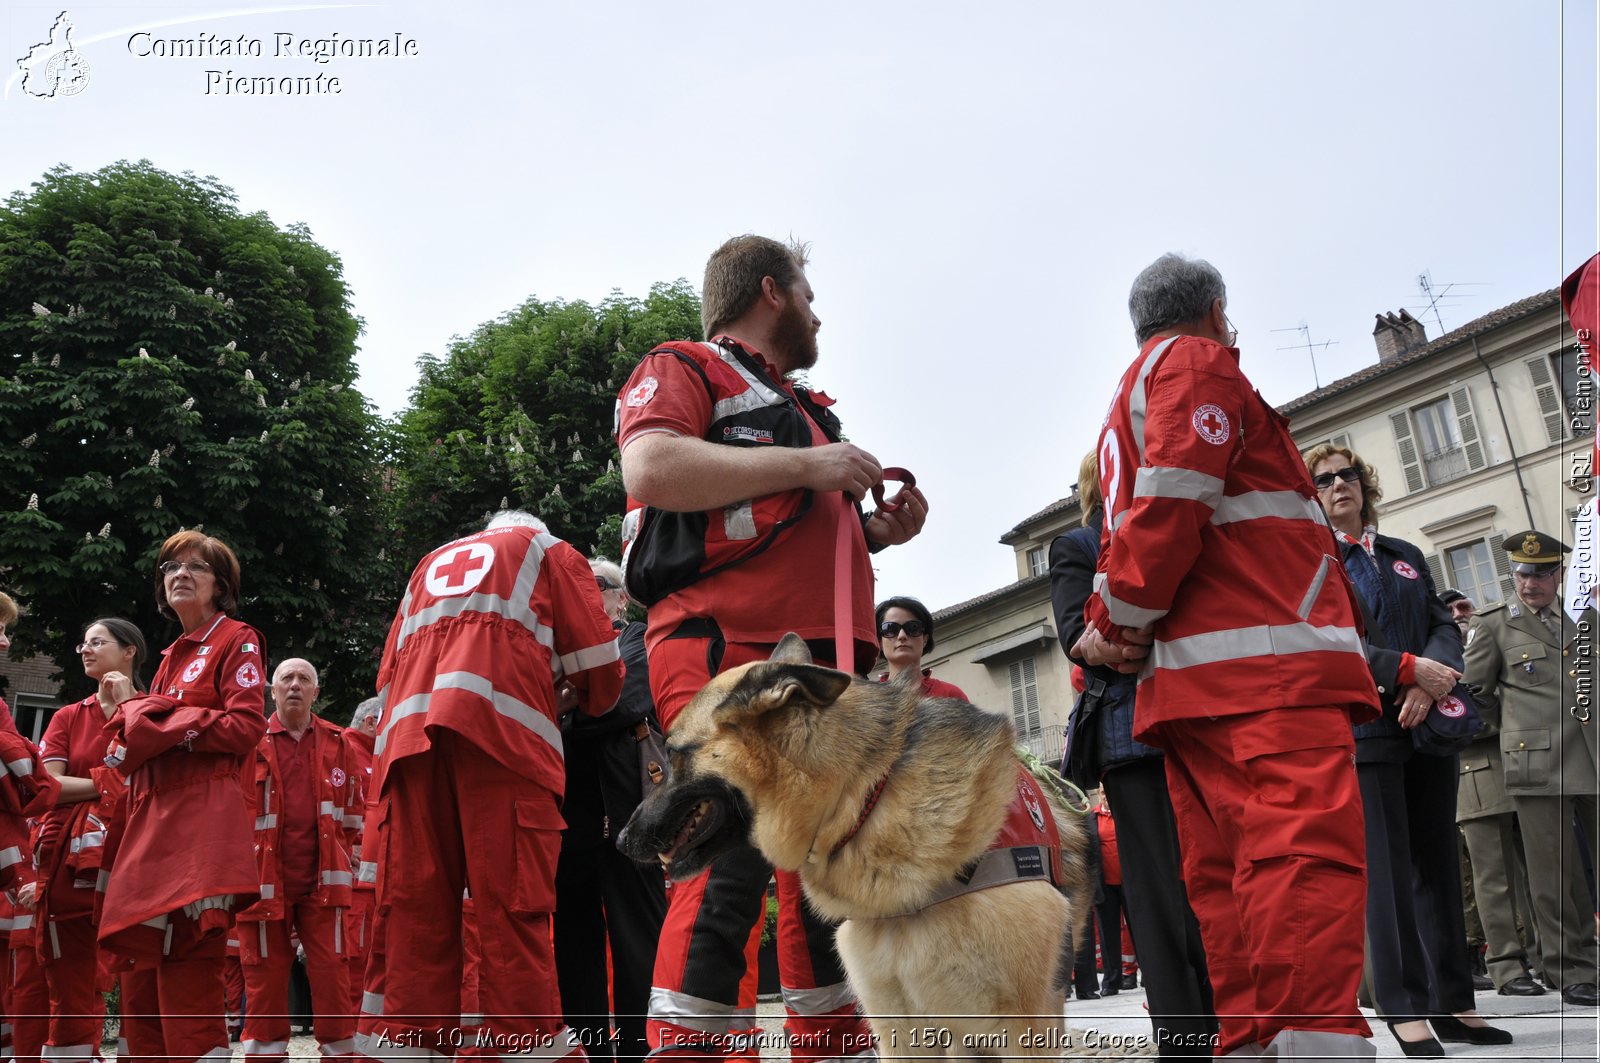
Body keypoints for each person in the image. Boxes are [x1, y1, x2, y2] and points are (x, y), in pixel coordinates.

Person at [616, 234, 927, 1061]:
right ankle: (687, 1050)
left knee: (821, 872)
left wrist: (869, 533)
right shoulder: (687, 364)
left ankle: (834, 1045)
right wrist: (814, 462)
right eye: (809, 291)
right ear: (771, 291)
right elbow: (650, 465)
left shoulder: (799, 407)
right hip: (729, 654)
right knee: (728, 856)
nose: (819, 309)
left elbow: (774, 526)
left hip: (812, 678)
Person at [1074, 253, 1378, 1059]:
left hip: (1197, 682)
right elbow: (1176, 495)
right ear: (1215, 309)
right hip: (1266, 671)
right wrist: (1121, 615)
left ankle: (1251, 1042)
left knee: (1230, 879)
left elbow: (1150, 512)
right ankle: (1316, 1045)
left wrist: (1114, 622)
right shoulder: (1197, 362)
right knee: (1301, 857)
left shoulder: (1130, 392)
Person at [355, 510, 623, 1061]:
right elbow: (601, 679)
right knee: (511, 917)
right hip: (501, 741)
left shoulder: (426, 564)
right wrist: (555, 689)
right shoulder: (546, 549)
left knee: (414, 919)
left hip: (407, 748)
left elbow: (387, 676)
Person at [1306, 444, 1512, 1053]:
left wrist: (1433, 676)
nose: (1339, 485)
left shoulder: (1405, 555)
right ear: (1312, 495)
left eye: (1348, 474)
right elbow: (1323, 640)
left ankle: (1455, 1002)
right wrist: (1403, 674)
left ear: (1364, 483)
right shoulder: (1315, 562)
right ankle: (1401, 1006)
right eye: (1324, 480)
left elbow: (1444, 624)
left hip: (1425, 726)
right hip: (1368, 727)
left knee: (1439, 866)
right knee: (1389, 875)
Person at [1052, 450, 1215, 1058]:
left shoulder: (1192, 529)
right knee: (1156, 891)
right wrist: (1118, 640)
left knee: (1216, 878)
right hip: (1133, 735)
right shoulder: (1078, 544)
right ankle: (1183, 1033)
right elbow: (1077, 638)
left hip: (1202, 723)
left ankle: (1232, 1017)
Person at [96, 530, 269, 1063]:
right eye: (171, 567)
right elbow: (137, 749)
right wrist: (130, 716)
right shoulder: (170, 657)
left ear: (221, 585)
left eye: (196, 567)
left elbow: (244, 728)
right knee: (143, 983)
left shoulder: (236, 638)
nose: (180, 574)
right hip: (153, 832)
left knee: (189, 975)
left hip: (198, 831)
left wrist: (145, 714)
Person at [1463, 530, 1600, 1006]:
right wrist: (1512, 733)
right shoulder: (1494, 625)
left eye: (1541, 574)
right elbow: (1474, 698)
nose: (1530, 582)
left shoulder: (1585, 620)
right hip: (1536, 764)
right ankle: (1573, 970)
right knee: (1554, 877)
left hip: (1592, 758)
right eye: (1523, 573)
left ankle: (1590, 958)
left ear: (1558, 575)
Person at [552, 558, 668, 1063]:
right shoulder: (557, 654)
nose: (584, 593)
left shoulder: (637, 638)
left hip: (630, 813)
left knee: (637, 934)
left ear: (621, 598)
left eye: (595, 585)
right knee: (574, 941)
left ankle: (641, 1048)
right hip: (568, 818)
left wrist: (565, 707)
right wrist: (577, 704)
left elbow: (628, 702)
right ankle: (590, 1052)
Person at [236, 657, 362, 1062]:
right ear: (271, 691)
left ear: (315, 692)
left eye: (303, 679)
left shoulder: (339, 743)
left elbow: (353, 816)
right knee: (264, 984)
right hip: (260, 884)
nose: (294, 685)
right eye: (285, 678)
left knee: (333, 978)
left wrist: (344, 861)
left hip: (324, 885)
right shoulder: (247, 740)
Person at [35, 618, 149, 1063]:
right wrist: (112, 781)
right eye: (83, 643)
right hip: (69, 866)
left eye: (97, 643)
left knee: (139, 977)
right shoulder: (67, 716)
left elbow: (157, 781)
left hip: (134, 858)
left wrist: (129, 711)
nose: (84, 649)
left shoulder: (153, 711)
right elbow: (48, 786)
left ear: (129, 652)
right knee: (69, 982)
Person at [344, 695, 380, 1020]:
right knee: (357, 972)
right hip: (357, 888)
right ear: (371, 722)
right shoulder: (350, 755)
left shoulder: (368, 756)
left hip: (371, 886)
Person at [875, 596, 966, 698]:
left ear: (925, 640)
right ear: (879, 642)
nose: (902, 636)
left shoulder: (951, 695)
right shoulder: (867, 701)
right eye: (890, 629)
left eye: (913, 628)